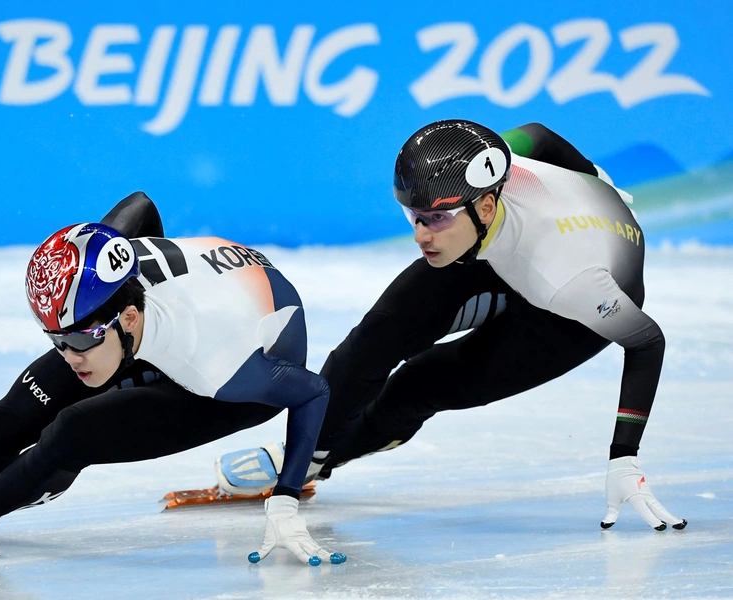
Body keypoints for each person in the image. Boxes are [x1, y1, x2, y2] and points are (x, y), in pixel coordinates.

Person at [216, 120, 686, 532]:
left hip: (569, 314)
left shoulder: (567, 278)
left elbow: (647, 342)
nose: (420, 235)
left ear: (483, 207)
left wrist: (624, 455)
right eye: (413, 216)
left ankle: (331, 457)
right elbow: (539, 136)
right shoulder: (495, 165)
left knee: (422, 384)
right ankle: (305, 455)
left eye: (436, 219)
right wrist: (591, 181)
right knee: (379, 335)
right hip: (505, 247)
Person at [0, 192, 346, 565]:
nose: (69, 354)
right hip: (156, 329)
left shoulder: (215, 365)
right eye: (57, 339)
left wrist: (285, 499)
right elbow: (140, 205)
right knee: (3, 421)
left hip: (236, 380)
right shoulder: (108, 271)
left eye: (80, 342)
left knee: (73, 431)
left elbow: (312, 390)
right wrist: (79, 339)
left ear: (130, 317)